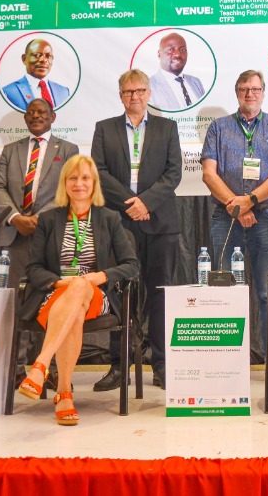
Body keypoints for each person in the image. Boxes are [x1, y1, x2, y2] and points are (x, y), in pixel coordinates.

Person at [16, 156, 140, 425]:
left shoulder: (109, 218)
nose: (79, 183)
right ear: (65, 184)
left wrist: (100, 276)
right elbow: (34, 268)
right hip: (57, 292)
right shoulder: (49, 219)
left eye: (85, 178)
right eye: (73, 178)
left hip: (97, 294)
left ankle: (41, 365)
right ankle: (63, 395)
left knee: (81, 286)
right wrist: (60, 283)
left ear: (94, 183)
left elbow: (131, 266)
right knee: (73, 306)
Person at [91, 70, 182, 390]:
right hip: (118, 223)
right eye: (129, 92)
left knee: (159, 297)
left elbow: (173, 174)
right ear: (120, 95)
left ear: (149, 94)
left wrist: (146, 203)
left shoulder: (167, 127)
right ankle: (119, 366)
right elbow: (98, 173)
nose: (135, 96)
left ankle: (161, 365)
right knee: (120, 297)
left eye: (141, 90)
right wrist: (131, 203)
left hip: (160, 224)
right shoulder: (104, 129)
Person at [202, 70, 268, 362]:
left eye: (255, 89)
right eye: (244, 89)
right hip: (225, 216)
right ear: (236, 92)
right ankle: (226, 362)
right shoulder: (218, 127)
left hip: (266, 216)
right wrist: (235, 205)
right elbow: (208, 173)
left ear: (263, 92)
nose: (249, 94)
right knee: (225, 291)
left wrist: (251, 201)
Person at [0, 98, 79, 381]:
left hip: (51, 234)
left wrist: (40, 219)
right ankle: (16, 369)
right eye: (30, 112)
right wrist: (16, 217)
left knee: (54, 300)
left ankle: (52, 369)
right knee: (15, 302)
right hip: (14, 235)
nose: (36, 116)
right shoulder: (10, 150)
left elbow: (69, 188)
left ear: (53, 117)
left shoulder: (68, 149)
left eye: (42, 112)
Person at [2, 37, 71, 110]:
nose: (44, 60)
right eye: (37, 55)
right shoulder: (8, 92)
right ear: (24, 59)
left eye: (48, 56)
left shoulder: (64, 92)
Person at [149, 32, 205, 110]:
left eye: (182, 49)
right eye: (170, 49)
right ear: (159, 54)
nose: (178, 54)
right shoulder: (148, 86)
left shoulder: (196, 82)